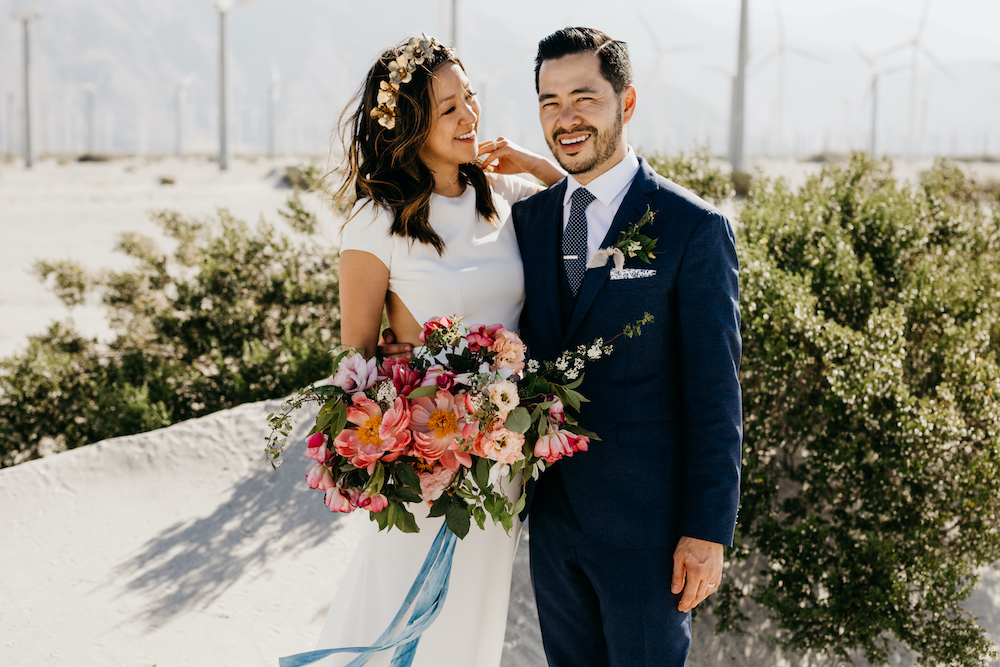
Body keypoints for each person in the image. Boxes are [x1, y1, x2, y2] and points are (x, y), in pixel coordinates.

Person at [311, 34, 564, 667]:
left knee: (475, 619)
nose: (468, 117)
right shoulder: (375, 222)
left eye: (470, 98)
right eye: (448, 108)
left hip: (501, 458)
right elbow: (357, 365)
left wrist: (534, 166)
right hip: (425, 461)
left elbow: (589, 214)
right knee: (400, 609)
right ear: (410, 126)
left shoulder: (505, 203)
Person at [511, 27, 743, 666]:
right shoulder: (528, 224)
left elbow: (716, 396)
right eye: (549, 102)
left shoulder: (692, 228)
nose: (566, 119)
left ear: (627, 103)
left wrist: (706, 533)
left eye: (584, 98)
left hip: (652, 534)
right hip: (555, 522)